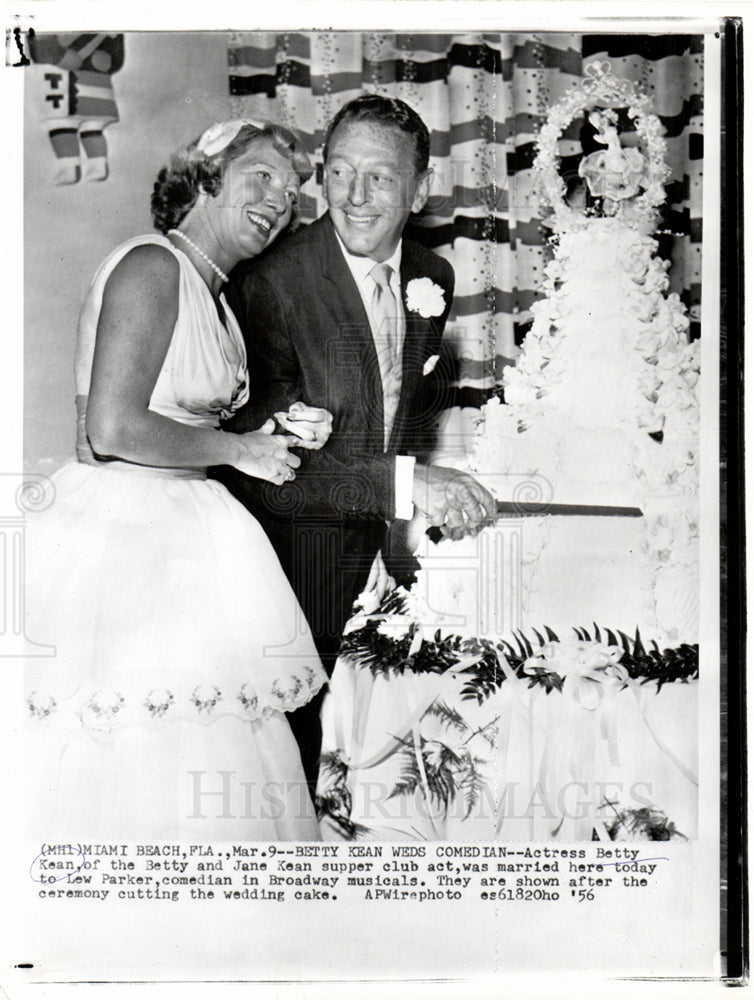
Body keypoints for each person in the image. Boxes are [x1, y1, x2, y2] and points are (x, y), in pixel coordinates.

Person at [24, 119, 334, 841]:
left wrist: (272, 434)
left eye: (289, 196)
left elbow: (186, 421)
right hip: (125, 533)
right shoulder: (152, 265)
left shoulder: (215, 294)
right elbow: (110, 430)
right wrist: (237, 449)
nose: (278, 202)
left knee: (217, 743)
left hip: (183, 522)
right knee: (143, 748)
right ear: (207, 174)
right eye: (261, 177)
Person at [217, 95, 497, 790]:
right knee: (289, 751)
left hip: (374, 556)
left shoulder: (433, 276)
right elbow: (271, 464)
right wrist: (409, 485)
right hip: (288, 553)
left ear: (419, 188)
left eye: (378, 176)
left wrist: (402, 515)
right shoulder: (271, 280)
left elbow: (398, 413)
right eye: (339, 173)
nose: (355, 197)